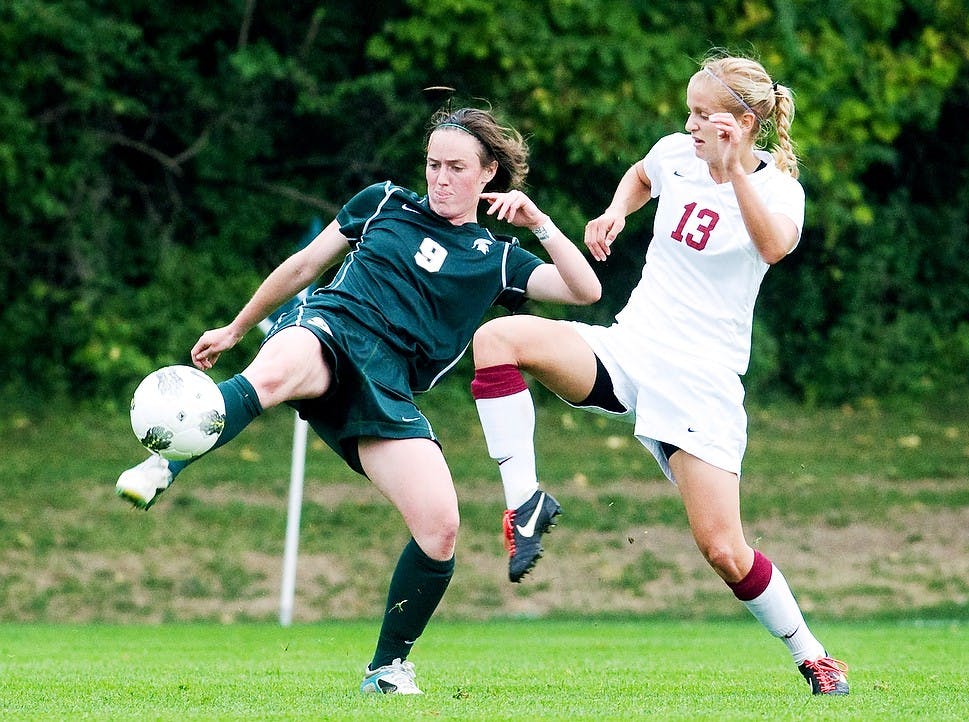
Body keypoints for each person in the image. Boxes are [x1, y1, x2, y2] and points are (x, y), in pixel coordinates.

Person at [115, 106, 601, 695]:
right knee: (274, 375)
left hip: (387, 386)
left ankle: (387, 669)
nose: (440, 178)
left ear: (488, 173)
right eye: (433, 165)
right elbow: (304, 265)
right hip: (331, 329)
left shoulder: (495, 258)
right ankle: (167, 459)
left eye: (456, 167)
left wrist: (540, 222)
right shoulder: (385, 202)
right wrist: (237, 328)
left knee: (441, 527)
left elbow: (584, 290)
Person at [469, 54, 850, 695]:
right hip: (632, 348)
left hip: (702, 381)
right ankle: (524, 503)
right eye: (691, 110)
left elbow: (774, 247)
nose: (691, 123)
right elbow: (644, 176)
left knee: (724, 551)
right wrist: (617, 210)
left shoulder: (780, 188)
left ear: (743, 123)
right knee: (498, 338)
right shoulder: (676, 150)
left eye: (704, 114)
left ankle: (812, 655)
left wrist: (733, 178)